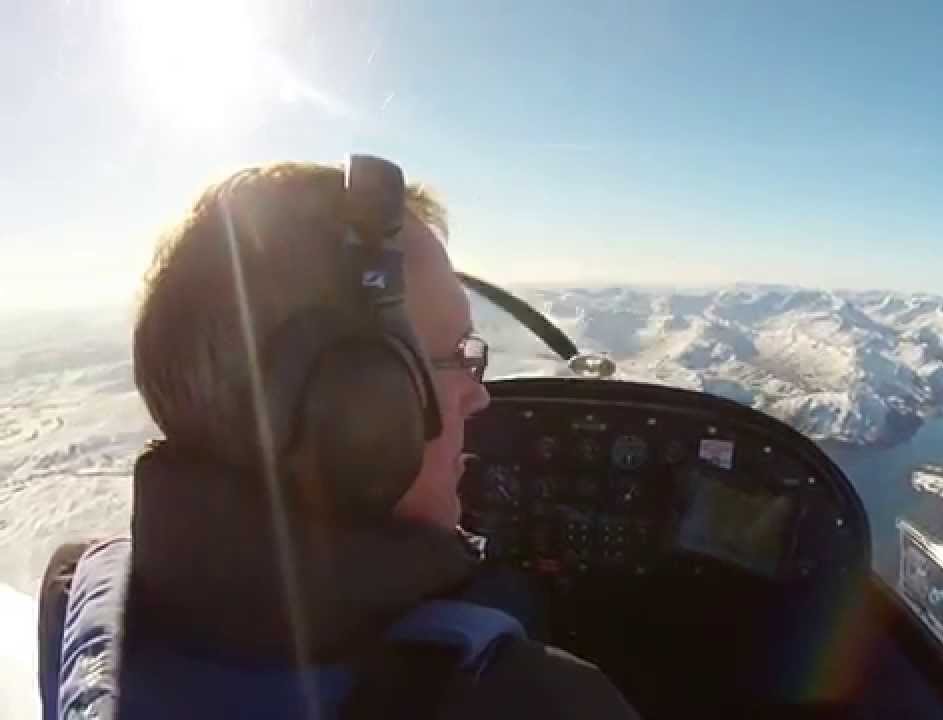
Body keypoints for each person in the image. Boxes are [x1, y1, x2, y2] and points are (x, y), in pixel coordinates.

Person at [37, 158, 640, 719]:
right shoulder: (539, 700)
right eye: (457, 357)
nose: (478, 396)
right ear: (354, 412)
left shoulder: (81, 599)